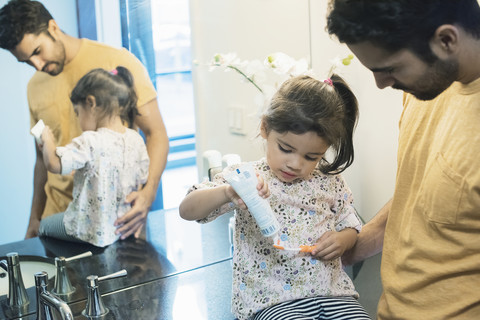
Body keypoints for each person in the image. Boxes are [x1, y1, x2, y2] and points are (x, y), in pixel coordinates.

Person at [327, 0, 480, 319]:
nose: (381, 85)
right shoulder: (427, 87)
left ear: (447, 40)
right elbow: (418, 195)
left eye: (390, 69)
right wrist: (345, 250)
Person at [180, 75, 371, 320]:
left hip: (333, 295)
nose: (295, 164)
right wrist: (228, 192)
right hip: (272, 301)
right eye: (286, 149)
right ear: (265, 128)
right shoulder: (246, 179)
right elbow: (187, 209)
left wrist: (343, 240)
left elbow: (351, 225)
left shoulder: (328, 180)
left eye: (311, 157)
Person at [0, 0, 169, 240]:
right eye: (26, 61)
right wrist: (34, 219)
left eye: (37, 52)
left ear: (53, 27)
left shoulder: (116, 61)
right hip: (61, 220)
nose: (36, 65)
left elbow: (156, 134)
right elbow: (41, 158)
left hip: (114, 221)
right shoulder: (34, 86)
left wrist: (148, 193)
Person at [37, 66, 149, 247]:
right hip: (120, 228)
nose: (78, 119)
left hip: (87, 230)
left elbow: (53, 163)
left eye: (77, 112)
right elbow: (139, 181)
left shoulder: (90, 141)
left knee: (44, 226)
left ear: (91, 103)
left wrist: (47, 140)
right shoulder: (135, 139)